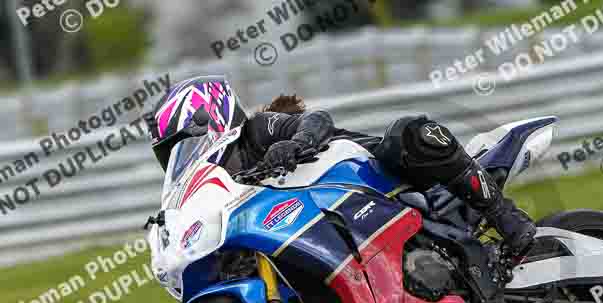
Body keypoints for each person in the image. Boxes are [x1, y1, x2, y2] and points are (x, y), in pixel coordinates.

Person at [147, 76, 537, 256]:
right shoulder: (225, 186)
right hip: (334, 229)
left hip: (379, 178)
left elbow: (316, 119)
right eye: (170, 154)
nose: (179, 157)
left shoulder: (257, 130)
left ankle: (504, 215)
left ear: (213, 117)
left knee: (411, 133)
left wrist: (296, 144)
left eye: (183, 144)